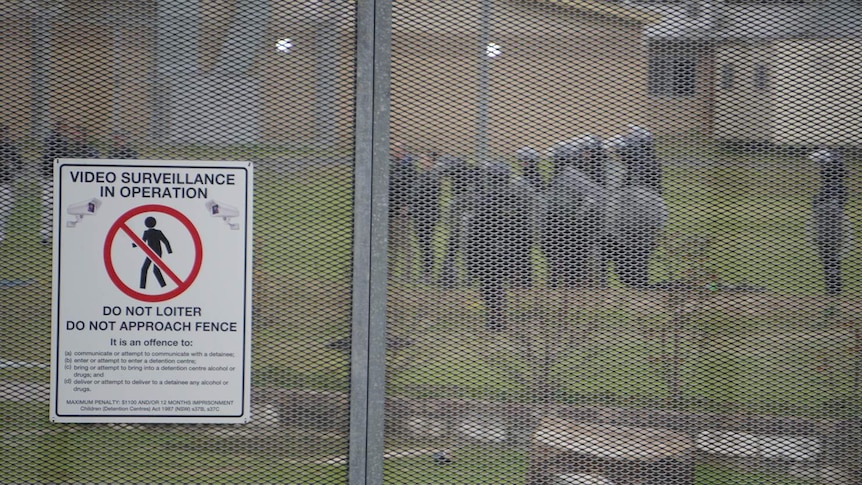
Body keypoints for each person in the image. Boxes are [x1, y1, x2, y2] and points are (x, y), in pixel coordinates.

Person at [465, 162, 528, 329]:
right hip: (509, 252)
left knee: (490, 286)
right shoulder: (516, 200)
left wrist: (471, 259)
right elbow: (522, 229)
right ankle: (498, 317)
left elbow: (474, 232)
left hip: (487, 252)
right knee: (497, 286)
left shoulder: (484, 201)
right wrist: (521, 257)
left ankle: (495, 319)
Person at [604, 131, 668, 289]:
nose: (617, 154)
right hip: (633, 221)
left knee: (633, 263)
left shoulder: (642, 167)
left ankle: (641, 285)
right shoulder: (638, 165)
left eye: (620, 151)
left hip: (636, 222)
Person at [810, 148, 849, 296]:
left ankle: (833, 289)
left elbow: (822, 204)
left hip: (829, 228)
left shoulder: (833, 188)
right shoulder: (836, 187)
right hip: (828, 226)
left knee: (829, 256)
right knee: (830, 257)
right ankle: (833, 288)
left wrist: (816, 202)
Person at [439, 155, 480, 288]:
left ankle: (467, 276)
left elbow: (464, 200)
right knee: (455, 248)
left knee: (463, 249)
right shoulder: (461, 180)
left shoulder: (468, 180)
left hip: (468, 222)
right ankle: (454, 275)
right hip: (463, 221)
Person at [411, 153, 443, 282]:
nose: (421, 160)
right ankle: (425, 272)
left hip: (427, 215)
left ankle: (427, 274)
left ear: (430, 162)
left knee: (426, 244)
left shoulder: (433, 177)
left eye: (424, 159)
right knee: (423, 244)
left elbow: (428, 197)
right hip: (419, 214)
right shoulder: (421, 175)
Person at [40, 120, 71, 244]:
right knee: (48, 205)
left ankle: (56, 234)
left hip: (60, 179)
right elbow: (47, 160)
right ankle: (45, 235)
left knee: (62, 207)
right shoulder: (51, 141)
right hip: (49, 178)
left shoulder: (65, 143)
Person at [389, 142, 416, 280]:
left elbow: (412, 188)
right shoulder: (393, 164)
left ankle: (407, 273)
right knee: (392, 242)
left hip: (402, 212)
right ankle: (390, 272)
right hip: (391, 210)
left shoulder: (408, 167)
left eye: (395, 149)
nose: (393, 151)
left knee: (404, 242)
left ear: (402, 151)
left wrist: (407, 205)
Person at [0, 125, 23, 245]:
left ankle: (1, 233)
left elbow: (20, 164)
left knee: (6, 208)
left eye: (4, 132)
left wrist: (11, 167)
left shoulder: (10, 147)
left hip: (5, 182)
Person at [135, 216, 173, 289]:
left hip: (155, 253)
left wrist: (170, 251)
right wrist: (169, 251)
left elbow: (165, 241)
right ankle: (143, 287)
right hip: (152, 253)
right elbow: (142, 242)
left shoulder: (153, 232)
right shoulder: (152, 232)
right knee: (149, 269)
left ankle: (163, 286)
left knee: (151, 269)